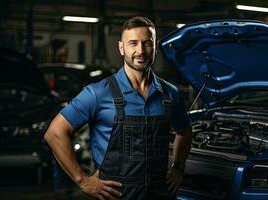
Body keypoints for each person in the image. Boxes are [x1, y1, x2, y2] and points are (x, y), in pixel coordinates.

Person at [44, 16, 192, 200]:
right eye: (133, 43)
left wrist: (178, 167)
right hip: (116, 195)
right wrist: (83, 180)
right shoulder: (97, 93)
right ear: (121, 47)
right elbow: (55, 133)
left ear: (155, 46)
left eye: (147, 43)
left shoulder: (170, 94)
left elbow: (184, 131)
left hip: (160, 193)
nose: (140, 51)